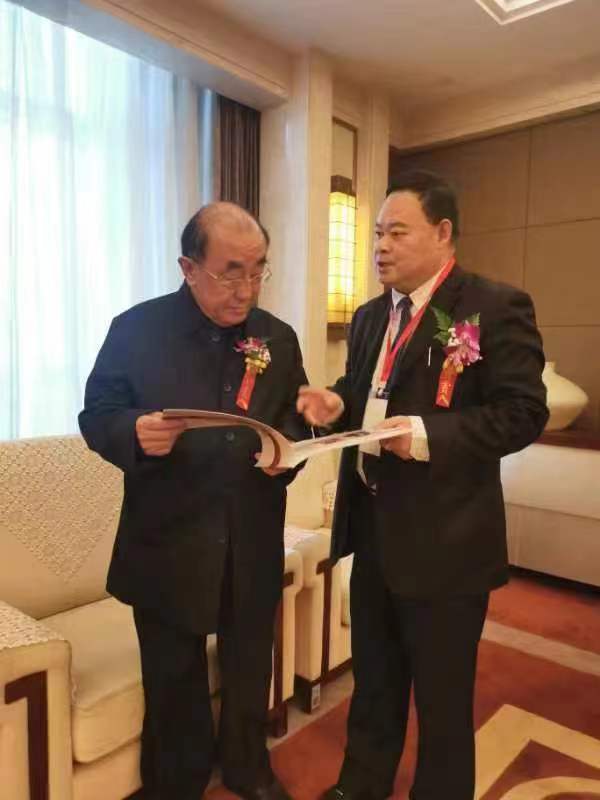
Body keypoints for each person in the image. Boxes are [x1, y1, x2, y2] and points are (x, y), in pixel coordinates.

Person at [296, 171, 548, 800]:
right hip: (373, 531)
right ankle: (360, 786)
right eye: (378, 233)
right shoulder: (369, 317)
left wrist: (427, 435)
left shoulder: (492, 307)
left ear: (442, 233)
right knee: (374, 681)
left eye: (397, 233)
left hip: (447, 542)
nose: (381, 246)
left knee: (442, 701)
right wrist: (337, 402)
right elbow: (366, 392)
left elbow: (523, 412)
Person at [79, 202, 310, 800]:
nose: (246, 290)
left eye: (258, 271)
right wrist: (133, 431)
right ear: (188, 267)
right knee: (172, 674)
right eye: (230, 273)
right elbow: (97, 414)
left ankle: (247, 768)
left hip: (252, 533)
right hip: (168, 537)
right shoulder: (136, 330)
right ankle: (176, 781)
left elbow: (294, 421)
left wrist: (289, 450)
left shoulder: (277, 337)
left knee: (249, 661)